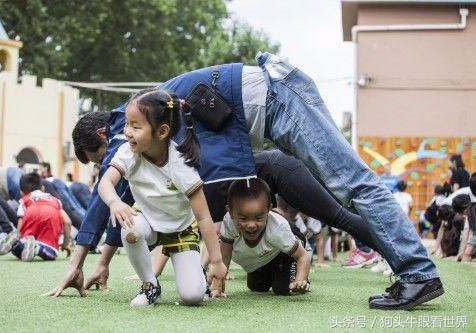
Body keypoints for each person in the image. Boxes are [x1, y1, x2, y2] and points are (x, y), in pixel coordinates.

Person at [48, 52, 441, 310]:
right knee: (348, 188)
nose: (125, 144)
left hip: (278, 97)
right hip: (278, 99)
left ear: (104, 136)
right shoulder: (146, 123)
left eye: (100, 159)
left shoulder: (130, 122)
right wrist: (100, 259)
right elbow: (122, 192)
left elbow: (112, 194)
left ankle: (418, 273)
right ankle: (410, 271)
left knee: (352, 184)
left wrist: (84, 258)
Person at [97, 90, 226, 306]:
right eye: (127, 124)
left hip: (180, 231)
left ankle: (198, 277)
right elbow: (105, 183)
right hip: (148, 224)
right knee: (130, 229)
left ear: (162, 131)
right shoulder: (128, 153)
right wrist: (114, 201)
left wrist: (216, 260)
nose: (128, 132)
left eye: (136, 126)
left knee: (192, 297)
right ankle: (149, 285)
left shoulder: (180, 164)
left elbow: (203, 216)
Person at [219, 178, 310, 296]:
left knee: (284, 288)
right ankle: (275, 271)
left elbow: (303, 256)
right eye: (243, 218)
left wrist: (300, 280)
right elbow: (224, 258)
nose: (251, 225)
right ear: (230, 212)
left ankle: (295, 274)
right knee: (257, 287)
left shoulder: (277, 229)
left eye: (258, 218)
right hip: (262, 258)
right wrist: (218, 286)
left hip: (285, 245)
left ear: (268, 210)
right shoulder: (228, 223)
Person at [0, 173, 72, 261]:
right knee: (51, 254)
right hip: (50, 214)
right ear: (43, 188)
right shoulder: (55, 200)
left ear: (21, 193)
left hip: (31, 211)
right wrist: (65, 244)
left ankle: (16, 244)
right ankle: (37, 248)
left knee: (22, 246)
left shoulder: (25, 200)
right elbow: (67, 222)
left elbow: (21, 223)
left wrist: (19, 234)